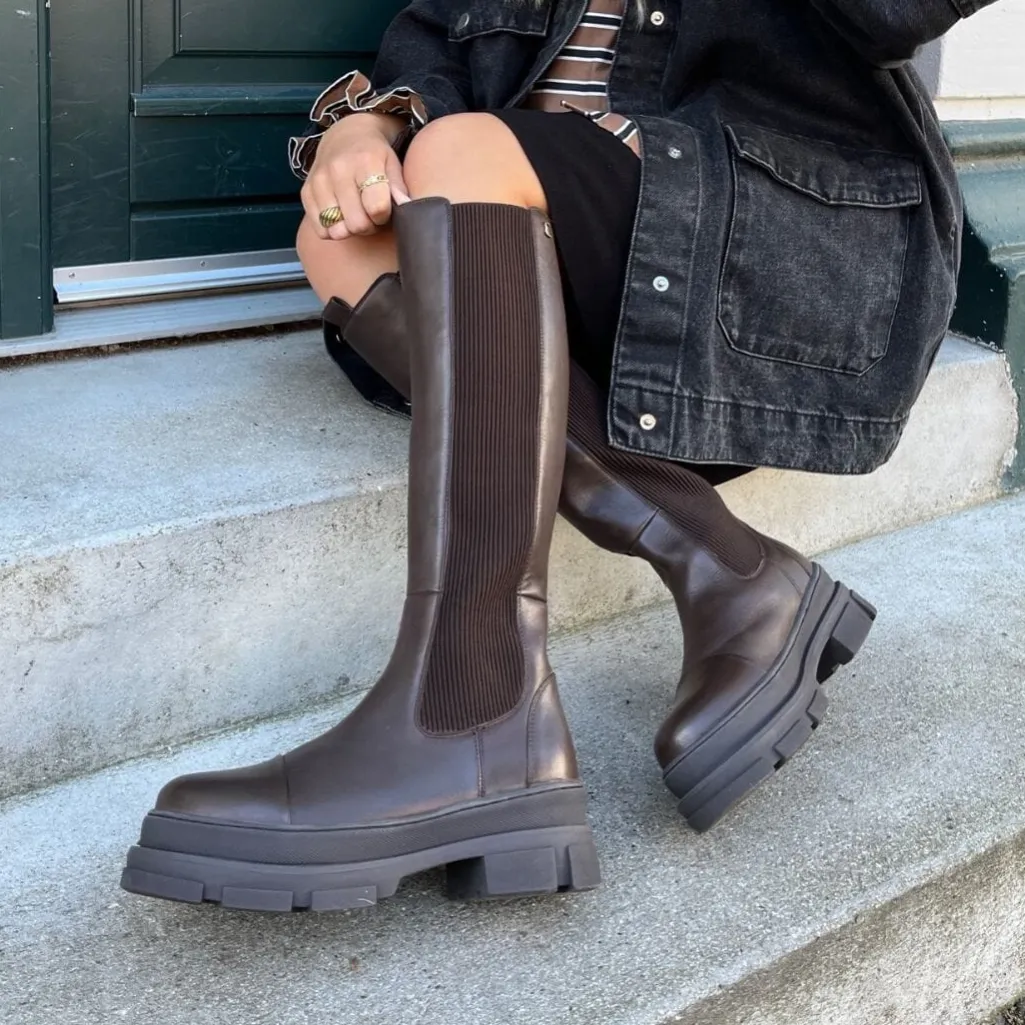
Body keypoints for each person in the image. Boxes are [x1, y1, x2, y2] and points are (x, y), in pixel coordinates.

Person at [120, 0, 996, 913]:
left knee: (461, 152)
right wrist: (365, 124)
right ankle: (715, 568)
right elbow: (437, 35)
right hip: (537, 238)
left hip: (768, 232)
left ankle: (471, 703)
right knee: (339, 234)